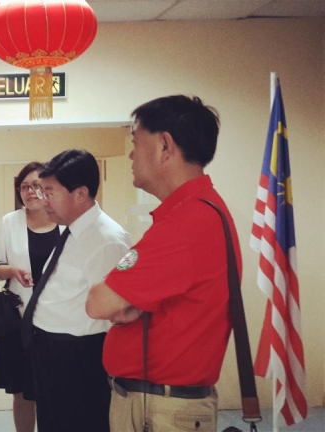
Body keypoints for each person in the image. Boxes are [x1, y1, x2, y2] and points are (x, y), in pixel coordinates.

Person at [86, 95, 240, 432]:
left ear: (165, 146)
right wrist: (128, 304)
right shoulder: (197, 210)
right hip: (159, 402)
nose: (131, 154)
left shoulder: (188, 221)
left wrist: (127, 306)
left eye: (135, 142)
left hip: (160, 410)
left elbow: (99, 302)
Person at [26, 149, 132, 432]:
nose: (43, 201)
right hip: (51, 351)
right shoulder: (71, 230)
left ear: (81, 193)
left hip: (79, 358)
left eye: (50, 192)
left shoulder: (107, 240)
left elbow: (116, 312)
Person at [0, 162, 60, 432]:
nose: (30, 191)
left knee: (53, 389)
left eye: (37, 185)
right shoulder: (10, 221)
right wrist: (12, 271)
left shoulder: (64, 221)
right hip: (19, 320)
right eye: (24, 187)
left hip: (58, 321)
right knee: (22, 392)